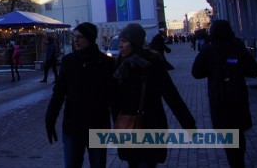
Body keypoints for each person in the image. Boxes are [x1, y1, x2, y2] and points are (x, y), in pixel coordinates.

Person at [114, 23, 196, 168]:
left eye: (124, 41)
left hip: (150, 126)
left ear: (134, 43)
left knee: (146, 163)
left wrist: (189, 125)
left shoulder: (152, 65)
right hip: (127, 128)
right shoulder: (120, 65)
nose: (120, 46)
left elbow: (172, 96)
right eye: (120, 41)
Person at [45, 22, 115, 168]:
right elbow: (58, 94)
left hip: (98, 127)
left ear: (90, 38)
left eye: (80, 37)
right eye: (74, 36)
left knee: (98, 164)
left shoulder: (105, 63)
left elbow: (114, 99)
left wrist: (119, 125)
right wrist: (50, 118)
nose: (75, 40)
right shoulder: (68, 61)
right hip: (73, 127)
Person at [192, 19, 257, 168]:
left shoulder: (209, 50)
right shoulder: (237, 46)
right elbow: (253, 70)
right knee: (239, 135)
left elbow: (196, 72)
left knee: (229, 137)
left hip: (219, 100)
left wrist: (212, 70)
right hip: (238, 97)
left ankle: (235, 162)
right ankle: (238, 161)